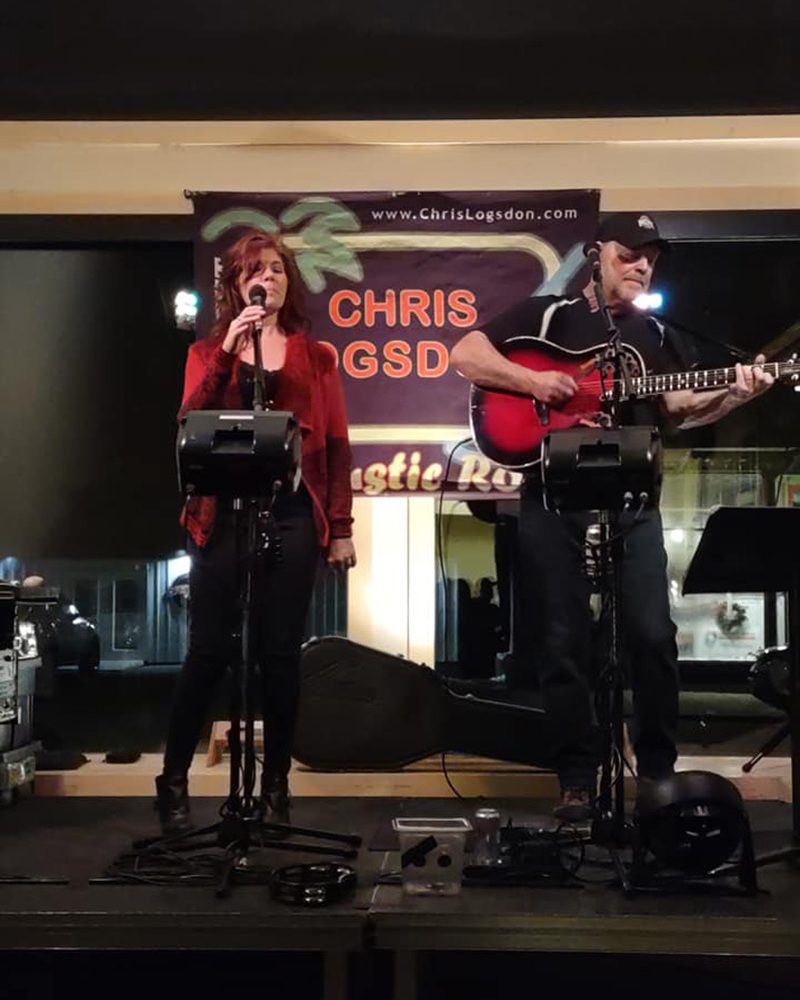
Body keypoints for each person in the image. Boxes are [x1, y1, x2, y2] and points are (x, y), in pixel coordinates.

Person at [450, 212, 774, 821]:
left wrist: (735, 391)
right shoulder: (546, 315)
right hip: (552, 497)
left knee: (653, 637)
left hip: (633, 503)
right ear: (597, 254)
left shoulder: (654, 333)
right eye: (630, 253)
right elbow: (466, 354)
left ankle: (657, 773)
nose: (642, 265)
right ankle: (576, 776)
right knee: (562, 640)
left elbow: (679, 409)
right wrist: (534, 381)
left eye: (650, 256)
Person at [156, 229, 356, 833]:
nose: (264, 278)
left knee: (279, 656)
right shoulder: (207, 351)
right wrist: (230, 349)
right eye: (252, 270)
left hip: (291, 513)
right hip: (221, 515)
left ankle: (275, 783)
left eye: (274, 269)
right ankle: (172, 778)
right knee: (209, 651)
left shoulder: (315, 356)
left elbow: (338, 447)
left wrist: (341, 527)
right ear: (235, 283)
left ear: (286, 282)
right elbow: (190, 418)